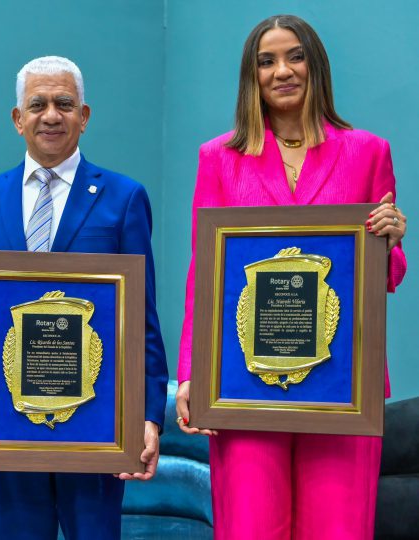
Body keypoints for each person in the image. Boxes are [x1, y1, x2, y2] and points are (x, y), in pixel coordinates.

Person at [175, 14, 408, 540]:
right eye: (267, 60)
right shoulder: (219, 159)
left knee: (339, 529)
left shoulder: (368, 151)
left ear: (316, 66)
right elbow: (204, 270)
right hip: (243, 380)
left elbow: (386, 276)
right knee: (250, 528)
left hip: (342, 382)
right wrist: (193, 370)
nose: (283, 70)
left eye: (295, 56)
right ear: (251, 75)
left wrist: (392, 243)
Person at [0, 56, 168, 540]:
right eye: (37, 104)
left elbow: (142, 319)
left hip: (97, 421)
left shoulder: (124, 198)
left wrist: (148, 417)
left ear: (84, 115)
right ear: (17, 119)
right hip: (7, 421)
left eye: (64, 104)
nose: (51, 115)